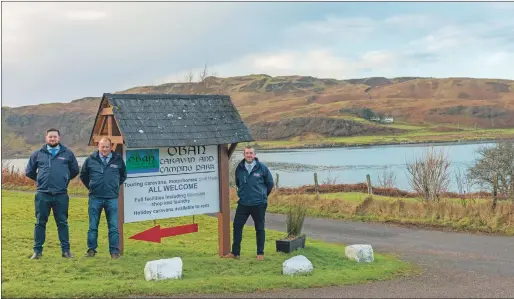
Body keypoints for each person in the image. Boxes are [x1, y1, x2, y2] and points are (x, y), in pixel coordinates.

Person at [25, 128, 80, 259]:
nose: (52, 139)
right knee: (40, 223)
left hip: (61, 195)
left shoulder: (68, 154)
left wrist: (64, 179)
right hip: (42, 195)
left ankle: (66, 251)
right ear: (46, 138)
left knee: (62, 223)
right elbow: (29, 171)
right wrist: (41, 180)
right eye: (50, 137)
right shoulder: (38, 154)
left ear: (59, 138)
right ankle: (37, 252)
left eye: (55, 137)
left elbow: (74, 170)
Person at [80, 137, 127, 259]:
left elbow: (123, 175)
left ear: (111, 147)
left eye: (107, 147)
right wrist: (92, 187)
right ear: (98, 147)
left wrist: (114, 186)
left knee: (113, 227)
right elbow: (83, 176)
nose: (104, 149)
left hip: (111, 198)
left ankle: (114, 252)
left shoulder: (117, 160)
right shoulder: (90, 160)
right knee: (93, 226)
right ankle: (91, 250)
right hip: (95, 198)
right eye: (102, 147)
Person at [225, 146, 274, 260]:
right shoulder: (240, 168)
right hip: (243, 203)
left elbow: (270, 183)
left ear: (254, 154)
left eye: (251, 153)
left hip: (259, 204)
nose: (249, 155)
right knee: (237, 226)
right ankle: (235, 253)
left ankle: (260, 254)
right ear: (244, 155)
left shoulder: (262, 168)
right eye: (247, 153)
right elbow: (238, 182)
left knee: (260, 228)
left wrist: (262, 195)